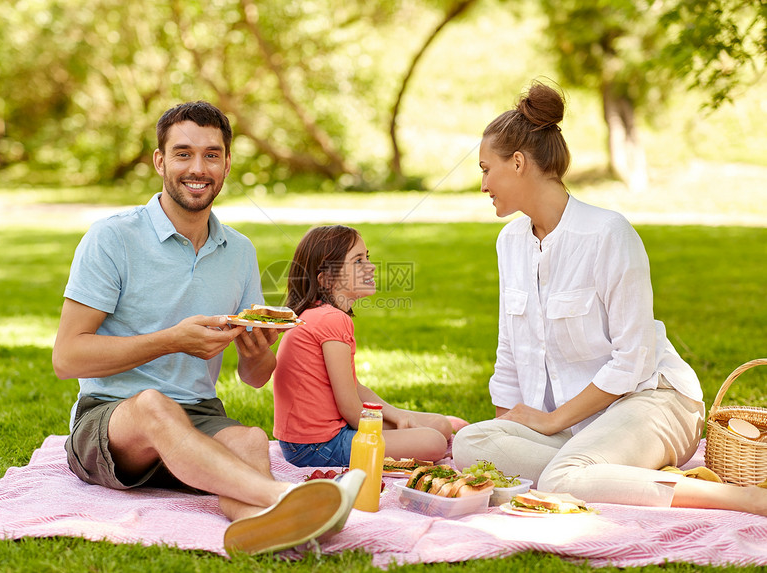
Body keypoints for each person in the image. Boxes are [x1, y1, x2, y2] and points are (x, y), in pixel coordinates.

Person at [52, 101, 365, 556]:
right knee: (154, 405)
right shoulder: (112, 238)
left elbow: (254, 376)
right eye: (183, 154)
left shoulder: (238, 251)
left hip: (198, 414)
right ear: (160, 161)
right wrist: (172, 341)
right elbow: (66, 358)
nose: (197, 168)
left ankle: (264, 530)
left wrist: (259, 352)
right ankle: (285, 498)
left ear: (226, 164)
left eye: (211, 155)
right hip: (112, 417)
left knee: (251, 438)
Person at [452, 81, 767, 516]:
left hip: (653, 402)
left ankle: (747, 498)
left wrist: (548, 422)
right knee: (471, 443)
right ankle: (610, 476)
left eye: (487, 168)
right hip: (578, 430)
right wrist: (511, 425)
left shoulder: (607, 233)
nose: (483, 182)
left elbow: (633, 359)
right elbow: (509, 351)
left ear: (519, 163)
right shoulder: (510, 242)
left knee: (564, 476)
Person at [272, 224, 466, 467]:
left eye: (367, 258)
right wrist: (390, 430)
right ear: (326, 278)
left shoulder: (320, 314)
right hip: (317, 446)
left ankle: (420, 430)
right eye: (358, 261)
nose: (371, 266)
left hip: (311, 440)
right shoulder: (331, 319)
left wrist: (398, 416)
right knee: (434, 442)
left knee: (440, 425)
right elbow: (350, 408)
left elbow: (354, 387)